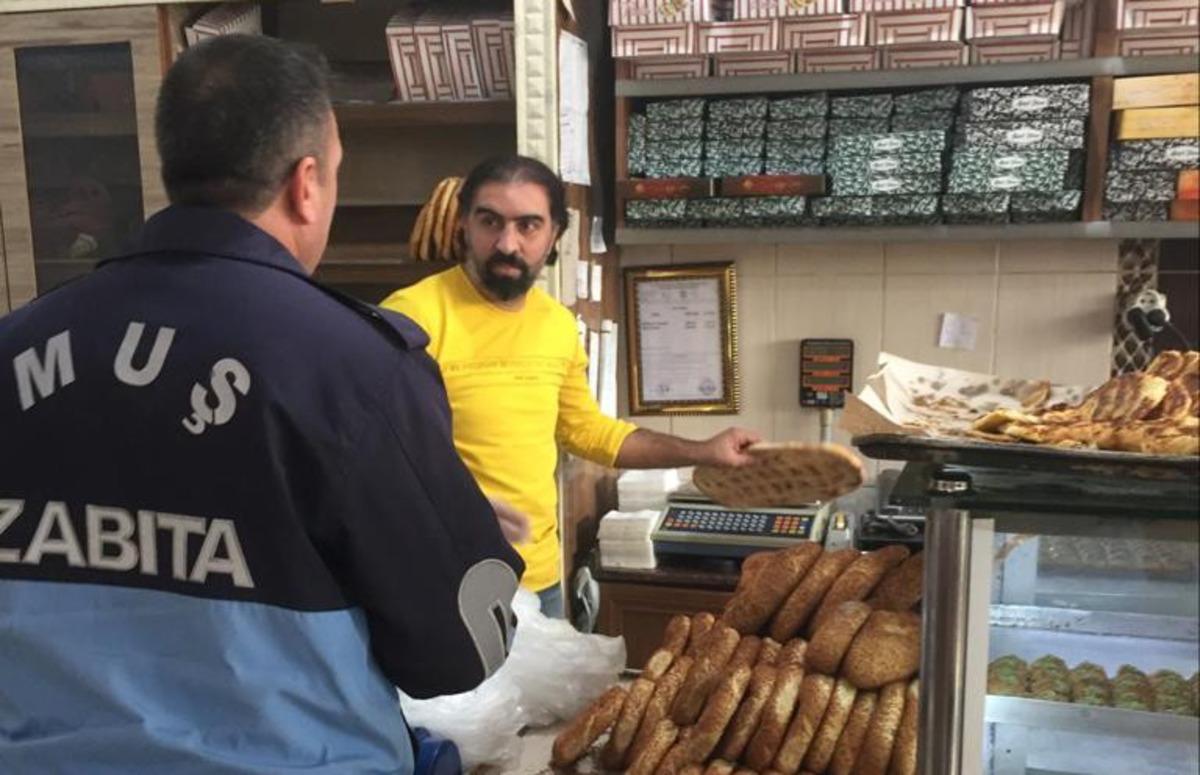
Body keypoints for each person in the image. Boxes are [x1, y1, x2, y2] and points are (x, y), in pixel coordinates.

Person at [0, 35, 522, 773]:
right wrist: (442, 521)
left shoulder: (15, 343)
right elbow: (462, 647)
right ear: (305, 182)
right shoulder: (355, 367)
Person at [382, 155, 761, 618]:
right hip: (447, 583)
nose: (507, 243)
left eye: (528, 226)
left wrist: (704, 450)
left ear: (555, 233)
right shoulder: (411, 318)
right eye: (490, 222)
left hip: (539, 581)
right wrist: (450, 510)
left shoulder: (557, 326)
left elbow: (588, 432)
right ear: (464, 224)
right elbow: (375, 457)